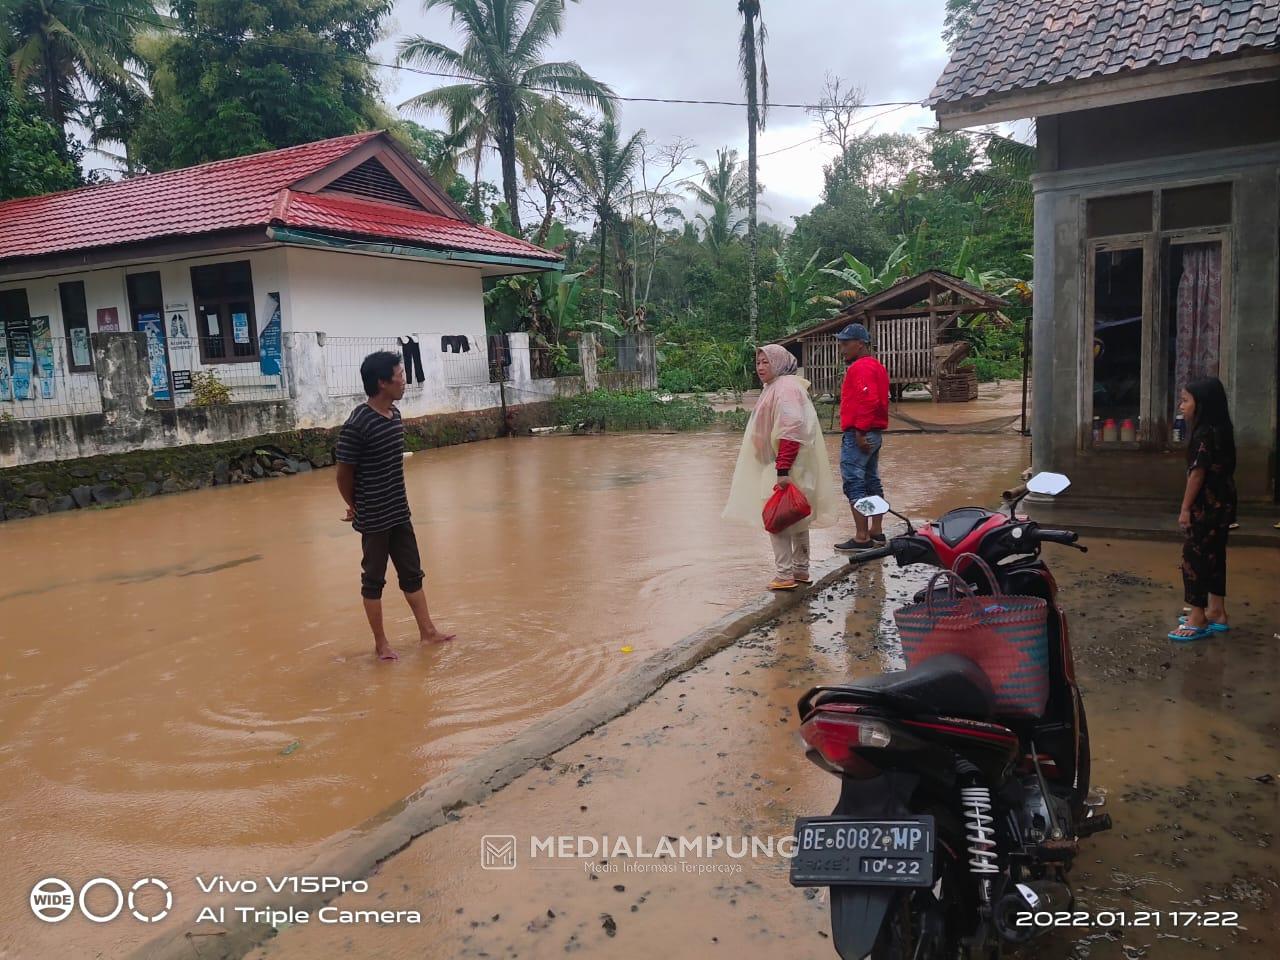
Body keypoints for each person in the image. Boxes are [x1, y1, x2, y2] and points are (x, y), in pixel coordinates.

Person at [336, 351, 455, 661]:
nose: (404, 381)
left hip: (399, 511)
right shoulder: (357, 424)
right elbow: (343, 473)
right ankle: (381, 644)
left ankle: (428, 632)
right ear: (382, 382)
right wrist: (354, 505)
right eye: (400, 376)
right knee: (373, 580)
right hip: (374, 517)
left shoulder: (396, 416)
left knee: (412, 573)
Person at [723, 345, 840, 591]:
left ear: (779, 362)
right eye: (758, 363)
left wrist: (783, 469)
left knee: (777, 516)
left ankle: (784, 574)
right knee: (796, 516)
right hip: (791, 464)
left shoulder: (785, 388)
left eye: (766, 362)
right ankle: (800, 570)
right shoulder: (781, 386)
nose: (760, 367)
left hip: (786, 465)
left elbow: (791, 428)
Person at [1168, 376, 1237, 642]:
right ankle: (1217, 611)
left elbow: (1197, 474)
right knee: (1216, 555)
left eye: (1186, 400)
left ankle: (1198, 617)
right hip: (1224, 502)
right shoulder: (1223, 429)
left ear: (1202, 404)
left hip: (1205, 505)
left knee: (1194, 557)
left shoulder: (1203, 434)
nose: (1181, 406)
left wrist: (1185, 508)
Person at [832, 322, 891, 554]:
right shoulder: (876, 366)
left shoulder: (861, 367)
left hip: (861, 433)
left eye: (846, 343)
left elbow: (869, 400)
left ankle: (861, 536)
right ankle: (876, 531)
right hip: (873, 433)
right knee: (871, 481)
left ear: (860, 344)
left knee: (854, 483)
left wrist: (859, 432)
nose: (842, 348)